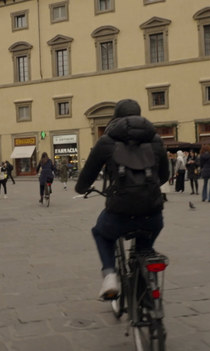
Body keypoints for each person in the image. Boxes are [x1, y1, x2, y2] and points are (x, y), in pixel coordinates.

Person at [75, 99, 169, 300]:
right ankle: (147, 288)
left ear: (116, 117)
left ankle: (110, 275)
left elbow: (87, 175)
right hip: (152, 214)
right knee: (146, 245)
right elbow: (165, 175)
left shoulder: (106, 140)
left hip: (120, 214)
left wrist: (81, 188)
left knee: (101, 233)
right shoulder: (155, 139)